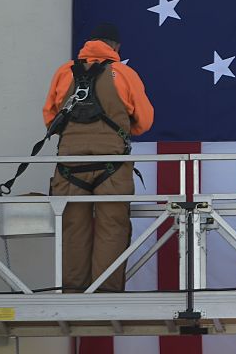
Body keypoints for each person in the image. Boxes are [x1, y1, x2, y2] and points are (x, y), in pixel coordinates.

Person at [43, 23, 154, 292]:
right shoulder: (125, 74)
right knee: (112, 226)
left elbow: (50, 118)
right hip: (112, 167)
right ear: (116, 47)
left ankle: (72, 290)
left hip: (70, 166)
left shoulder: (64, 72)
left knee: (73, 227)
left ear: (89, 43)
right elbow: (144, 122)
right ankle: (105, 291)